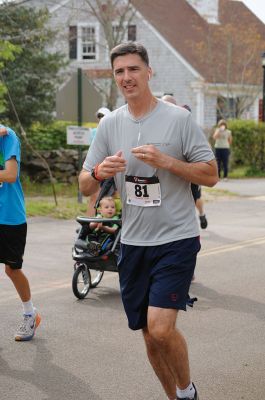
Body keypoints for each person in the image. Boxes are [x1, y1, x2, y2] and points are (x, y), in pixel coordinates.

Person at [79, 42, 218, 400]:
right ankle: (172, 397)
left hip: (176, 239)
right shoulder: (110, 124)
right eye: (120, 72)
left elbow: (210, 174)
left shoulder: (178, 120)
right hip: (135, 242)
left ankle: (188, 392)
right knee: (146, 332)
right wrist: (98, 170)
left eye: (133, 69)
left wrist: (168, 162)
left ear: (149, 72)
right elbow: (83, 185)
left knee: (160, 328)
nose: (127, 77)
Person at [0, 124, 41, 341]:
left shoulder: (8, 137)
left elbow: (9, 174)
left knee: (12, 270)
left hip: (9, 216)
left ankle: (29, 314)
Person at [162, 95, 208, 229]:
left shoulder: (187, 124)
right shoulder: (159, 124)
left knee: (194, 197)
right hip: (168, 174)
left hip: (189, 170)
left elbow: (206, 155)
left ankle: (201, 215)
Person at [86, 107, 111, 217]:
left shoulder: (113, 131)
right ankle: (88, 226)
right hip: (97, 168)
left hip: (110, 169)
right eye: (99, 116)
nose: (101, 118)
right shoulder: (93, 132)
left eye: (103, 116)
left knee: (110, 199)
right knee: (94, 196)